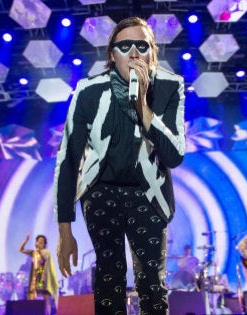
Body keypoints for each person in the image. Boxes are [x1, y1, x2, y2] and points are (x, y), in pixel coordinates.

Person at [54, 16, 186, 314]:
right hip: (102, 190)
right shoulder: (88, 90)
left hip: (148, 191)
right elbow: (68, 159)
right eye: (124, 46)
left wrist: (143, 107)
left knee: (152, 283)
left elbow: (174, 155)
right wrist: (65, 230)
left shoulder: (169, 86)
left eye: (142, 45)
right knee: (109, 277)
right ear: (112, 55)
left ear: (153, 51)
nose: (134, 53)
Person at [19, 233, 58, 314]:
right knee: (32, 297)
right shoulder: (34, 252)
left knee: (45, 298)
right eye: (38, 241)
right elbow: (20, 249)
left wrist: (43, 279)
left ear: (44, 244)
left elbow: (46, 266)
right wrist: (26, 240)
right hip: (34, 278)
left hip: (42, 278)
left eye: (42, 241)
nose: (40, 243)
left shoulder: (46, 252)